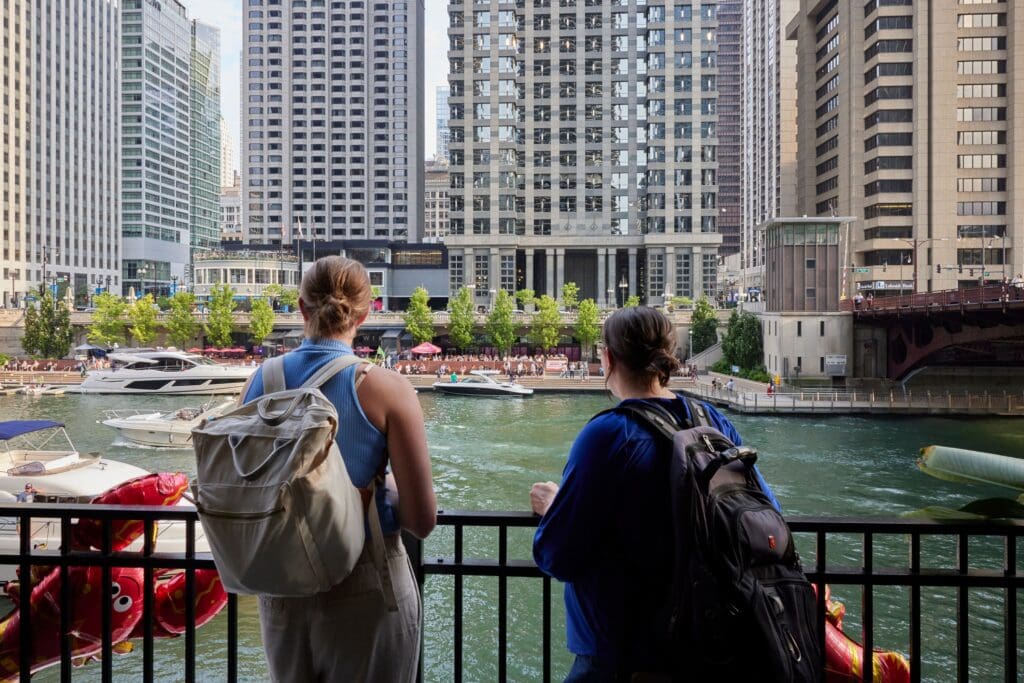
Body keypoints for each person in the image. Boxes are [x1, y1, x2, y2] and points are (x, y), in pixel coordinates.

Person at [529, 306, 779, 681]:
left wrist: (555, 507)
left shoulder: (609, 435)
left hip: (621, 653)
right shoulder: (713, 421)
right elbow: (767, 510)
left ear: (609, 358)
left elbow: (557, 555)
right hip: (711, 640)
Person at [242, 256, 436, 682]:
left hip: (281, 585)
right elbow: (422, 521)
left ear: (301, 307)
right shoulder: (387, 389)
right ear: (366, 313)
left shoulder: (262, 381)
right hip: (365, 585)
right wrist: (379, 490)